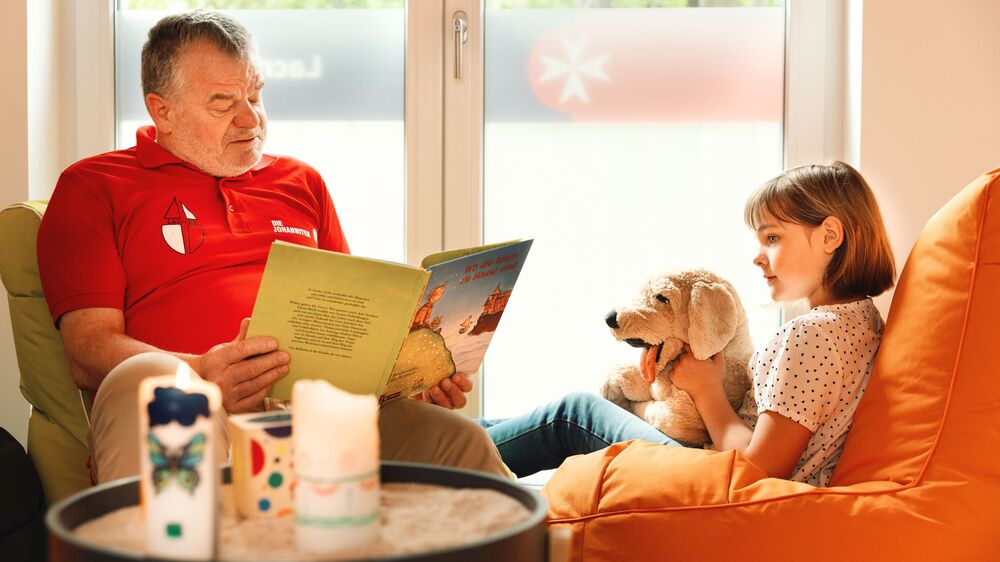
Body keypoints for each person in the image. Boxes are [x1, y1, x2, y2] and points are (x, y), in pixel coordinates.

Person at [36, 10, 506, 483]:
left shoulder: (301, 182)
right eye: (223, 104)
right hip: (199, 411)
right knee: (147, 381)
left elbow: (352, 328)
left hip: (322, 417)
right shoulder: (94, 187)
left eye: (256, 95)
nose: (250, 118)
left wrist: (404, 380)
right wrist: (201, 373)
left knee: (460, 440)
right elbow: (87, 350)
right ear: (163, 111)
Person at [479, 161, 895, 486]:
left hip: (721, 479)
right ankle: (439, 440)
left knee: (574, 413)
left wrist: (707, 391)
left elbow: (758, 469)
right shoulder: (862, 322)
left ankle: (428, 463)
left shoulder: (811, 334)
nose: (757, 255)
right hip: (728, 465)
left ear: (829, 236)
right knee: (513, 425)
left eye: (772, 238)